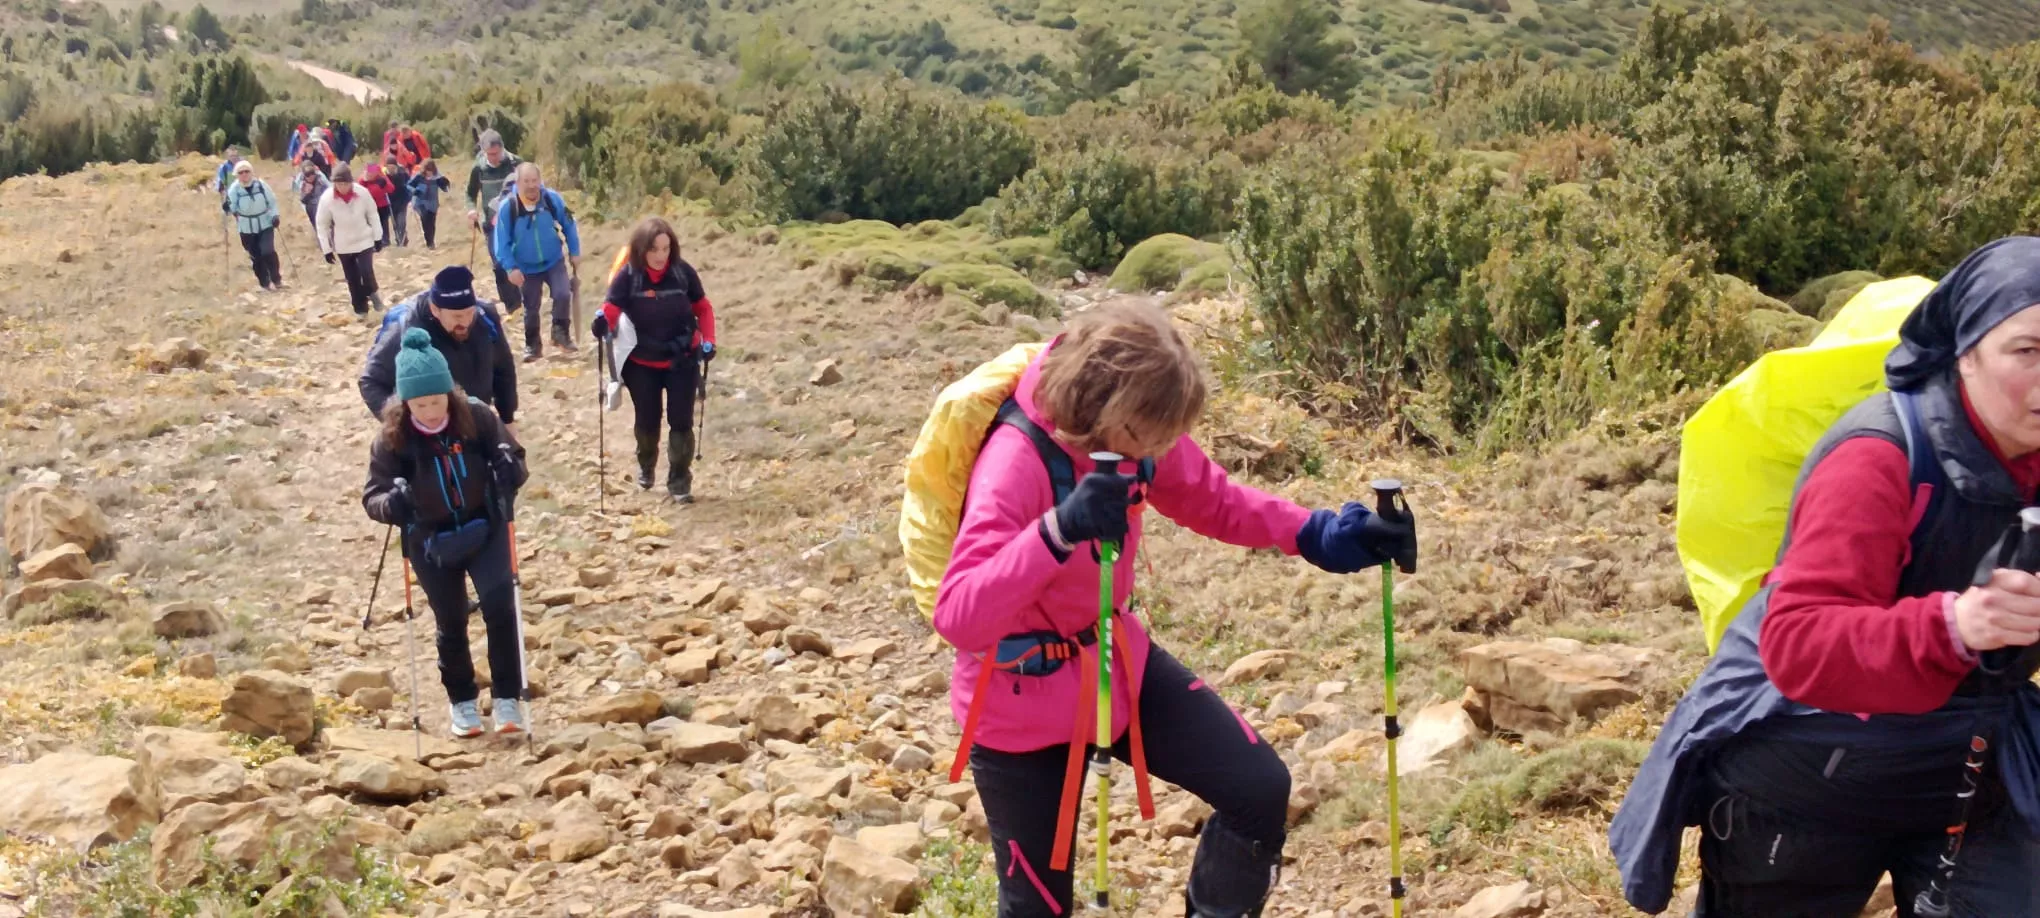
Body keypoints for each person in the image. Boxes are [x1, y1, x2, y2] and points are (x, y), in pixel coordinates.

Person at [934, 302, 1418, 918]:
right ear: (1102, 407)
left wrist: (1321, 534)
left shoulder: (1138, 435)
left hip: (1114, 666)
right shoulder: (1015, 461)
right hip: (1017, 705)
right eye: (1151, 434)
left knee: (1257, 789)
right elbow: (958, 615)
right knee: (1036, 909)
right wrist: (1058, 530)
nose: (1161, 448)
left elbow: (1213, 499)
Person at [1611, 237, 2040, 917]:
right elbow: (1799, 642)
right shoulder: (1874, 458)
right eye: (2029, 350)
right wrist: (1954, 625)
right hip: (1806, 754)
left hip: (1963, 750)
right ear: (1964, 351)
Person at [361, 329, 530, 738]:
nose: (431, 410)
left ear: (449, 393)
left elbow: (516, 461)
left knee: (500, 608)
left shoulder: (477, 416)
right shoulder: (392, 438)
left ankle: (508, 701)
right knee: (451, 621)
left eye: (437, 400)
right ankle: (463, 704)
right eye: (421, 403)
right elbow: (373, 496)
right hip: (430, 540)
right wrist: (393, 505)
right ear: (405, 402)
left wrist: (511, 470)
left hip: (485, 526)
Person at [590, 218, 717, 501]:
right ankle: (646, 464)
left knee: (681, 421)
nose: (661, 256)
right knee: (647, 420)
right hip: (642, 363)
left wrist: (708, 340)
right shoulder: (629, 276)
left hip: (681, 358)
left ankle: (679, 481)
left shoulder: (683, 273)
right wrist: (601, 322)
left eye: (666, 248)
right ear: (641, 249)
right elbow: (611, 307)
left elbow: (703, 308)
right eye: (654, 249)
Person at [361, 266, 519, 439]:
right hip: (429, 435)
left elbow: (503, 369)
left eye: (469, 313)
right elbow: (370, 381)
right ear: (436, 310)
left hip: (477, 424)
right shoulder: (406, 329)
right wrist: (402, 425)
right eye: (457, 317)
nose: (465, 322)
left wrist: (507, 419)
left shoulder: (485, 317)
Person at [493, 161, 582, 362]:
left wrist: (574, 251)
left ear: (540, 181)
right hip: (525, 267)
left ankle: (560, 334)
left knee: (563, 293)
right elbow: (501, 243)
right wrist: (510, 268)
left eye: (535, 180)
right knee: (531, 307)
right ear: (518, 182)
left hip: (553, 260)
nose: (532, 185)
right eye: (527, 181)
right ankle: (532, 346)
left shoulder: (552, 199)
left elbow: (569, 223)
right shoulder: (509, 207)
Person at [465, 130, 524, 318]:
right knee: (499, 264)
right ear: (483, 151)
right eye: (490, 154)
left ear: (502, 148)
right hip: (492, 224)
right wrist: (471, 209)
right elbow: (470, 193)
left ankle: (525, 301)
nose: (495, 158)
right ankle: (512, 305)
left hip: (518, 220)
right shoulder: (479, 169)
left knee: (519, 260)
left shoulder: (516, 163)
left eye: (497, 153)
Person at [317, 163, 386, 316]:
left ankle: (374, 295)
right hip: (343, 244)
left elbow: (373, 214)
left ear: (351, 182)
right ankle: (361, 310)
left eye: (345, 183)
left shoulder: (362, 193)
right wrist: (326, 249)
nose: (342, 187)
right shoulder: (327, 198)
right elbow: (322, 225)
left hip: (364, 239)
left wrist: (378, 237)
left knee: (366, 271)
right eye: (338, 183)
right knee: (352, 279)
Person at [221, 160, 284, 291]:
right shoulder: (234, 189)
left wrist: (275, 216)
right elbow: (231, 207)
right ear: (236, 175)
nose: (244, 174)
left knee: (268, 251)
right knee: (256, 256)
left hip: (265, 223)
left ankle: (276, 279)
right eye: (241, 172)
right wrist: (227, 207)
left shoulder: (261, 185)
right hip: (246, 228)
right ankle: (265, 283)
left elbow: (272, 201)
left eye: (247, 171)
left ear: (251, 172)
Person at [408, 160, 451, 250]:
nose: (429, 173)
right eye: (427, 170)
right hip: (420, 203)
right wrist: (415, 191)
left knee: (431, 224)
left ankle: (431, 242)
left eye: (431, 171)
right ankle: (429, 243)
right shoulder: (419, 177)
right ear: (424, 170)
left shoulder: (437, 178)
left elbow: (445, 188)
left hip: (433, 204)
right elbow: (409, 185)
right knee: (425, 220)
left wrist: (446, 183)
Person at [361, 162, 395, 252]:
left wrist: (383, 185)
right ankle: (373, 244)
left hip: (382, 205)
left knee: (383, 224)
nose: (370, 175)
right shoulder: (363, 180)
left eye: (372, 173)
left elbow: (391, 188)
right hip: (368, 207)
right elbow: (364, 193)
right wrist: (378, 187)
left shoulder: (381, 177)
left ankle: (385, 242)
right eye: (369, 173)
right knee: (371, 226)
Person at [293, 160, 329, 233]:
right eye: (307, 175)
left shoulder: (320, 177)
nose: (310, 177)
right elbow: (296, 191)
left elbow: (329, 188)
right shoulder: (300, 180)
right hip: (309, 205)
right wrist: (304, 188)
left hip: (321, 202)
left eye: (312, 174)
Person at [384, 157, 412, 248]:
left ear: (396, 167)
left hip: (402, 201)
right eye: (389, 168)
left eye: (392, 168)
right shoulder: (384, 176)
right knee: (395, 223)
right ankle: (400, 239)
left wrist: (410, 192)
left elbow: (410, 183)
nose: (391, 170)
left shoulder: (402, 174)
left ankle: (402, 242)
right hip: (391, 204)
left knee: (402, 222)